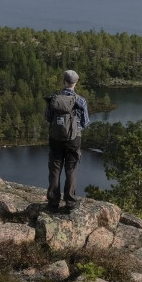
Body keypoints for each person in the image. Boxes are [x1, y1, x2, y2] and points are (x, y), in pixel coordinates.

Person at [44, 69, 90, 212]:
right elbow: (86, 122)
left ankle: (53, 203)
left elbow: (48, 117)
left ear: (64, 81)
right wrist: (75, 129)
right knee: (71, 170)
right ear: (76, 82)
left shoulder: (53, 98)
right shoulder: (80, 100)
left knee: (55, 170)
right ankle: (70, 203)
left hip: (55, 139)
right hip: (73, 140)